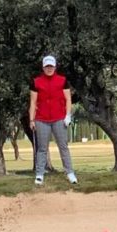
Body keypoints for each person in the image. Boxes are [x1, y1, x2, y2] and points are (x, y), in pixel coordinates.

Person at [29, 55, 78, 185]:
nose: (49, 68)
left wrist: (68, 115)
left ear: (55, 67)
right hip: (41, 119)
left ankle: (70, 172)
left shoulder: (62, 81)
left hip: (59, 119)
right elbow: (33, 103)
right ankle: (39, 174)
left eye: (51, 66)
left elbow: (68, 99)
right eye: (47, 66)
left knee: (63, 147)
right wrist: (31, 120)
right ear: (43, 67)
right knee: (42, 149)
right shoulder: (36, 82)